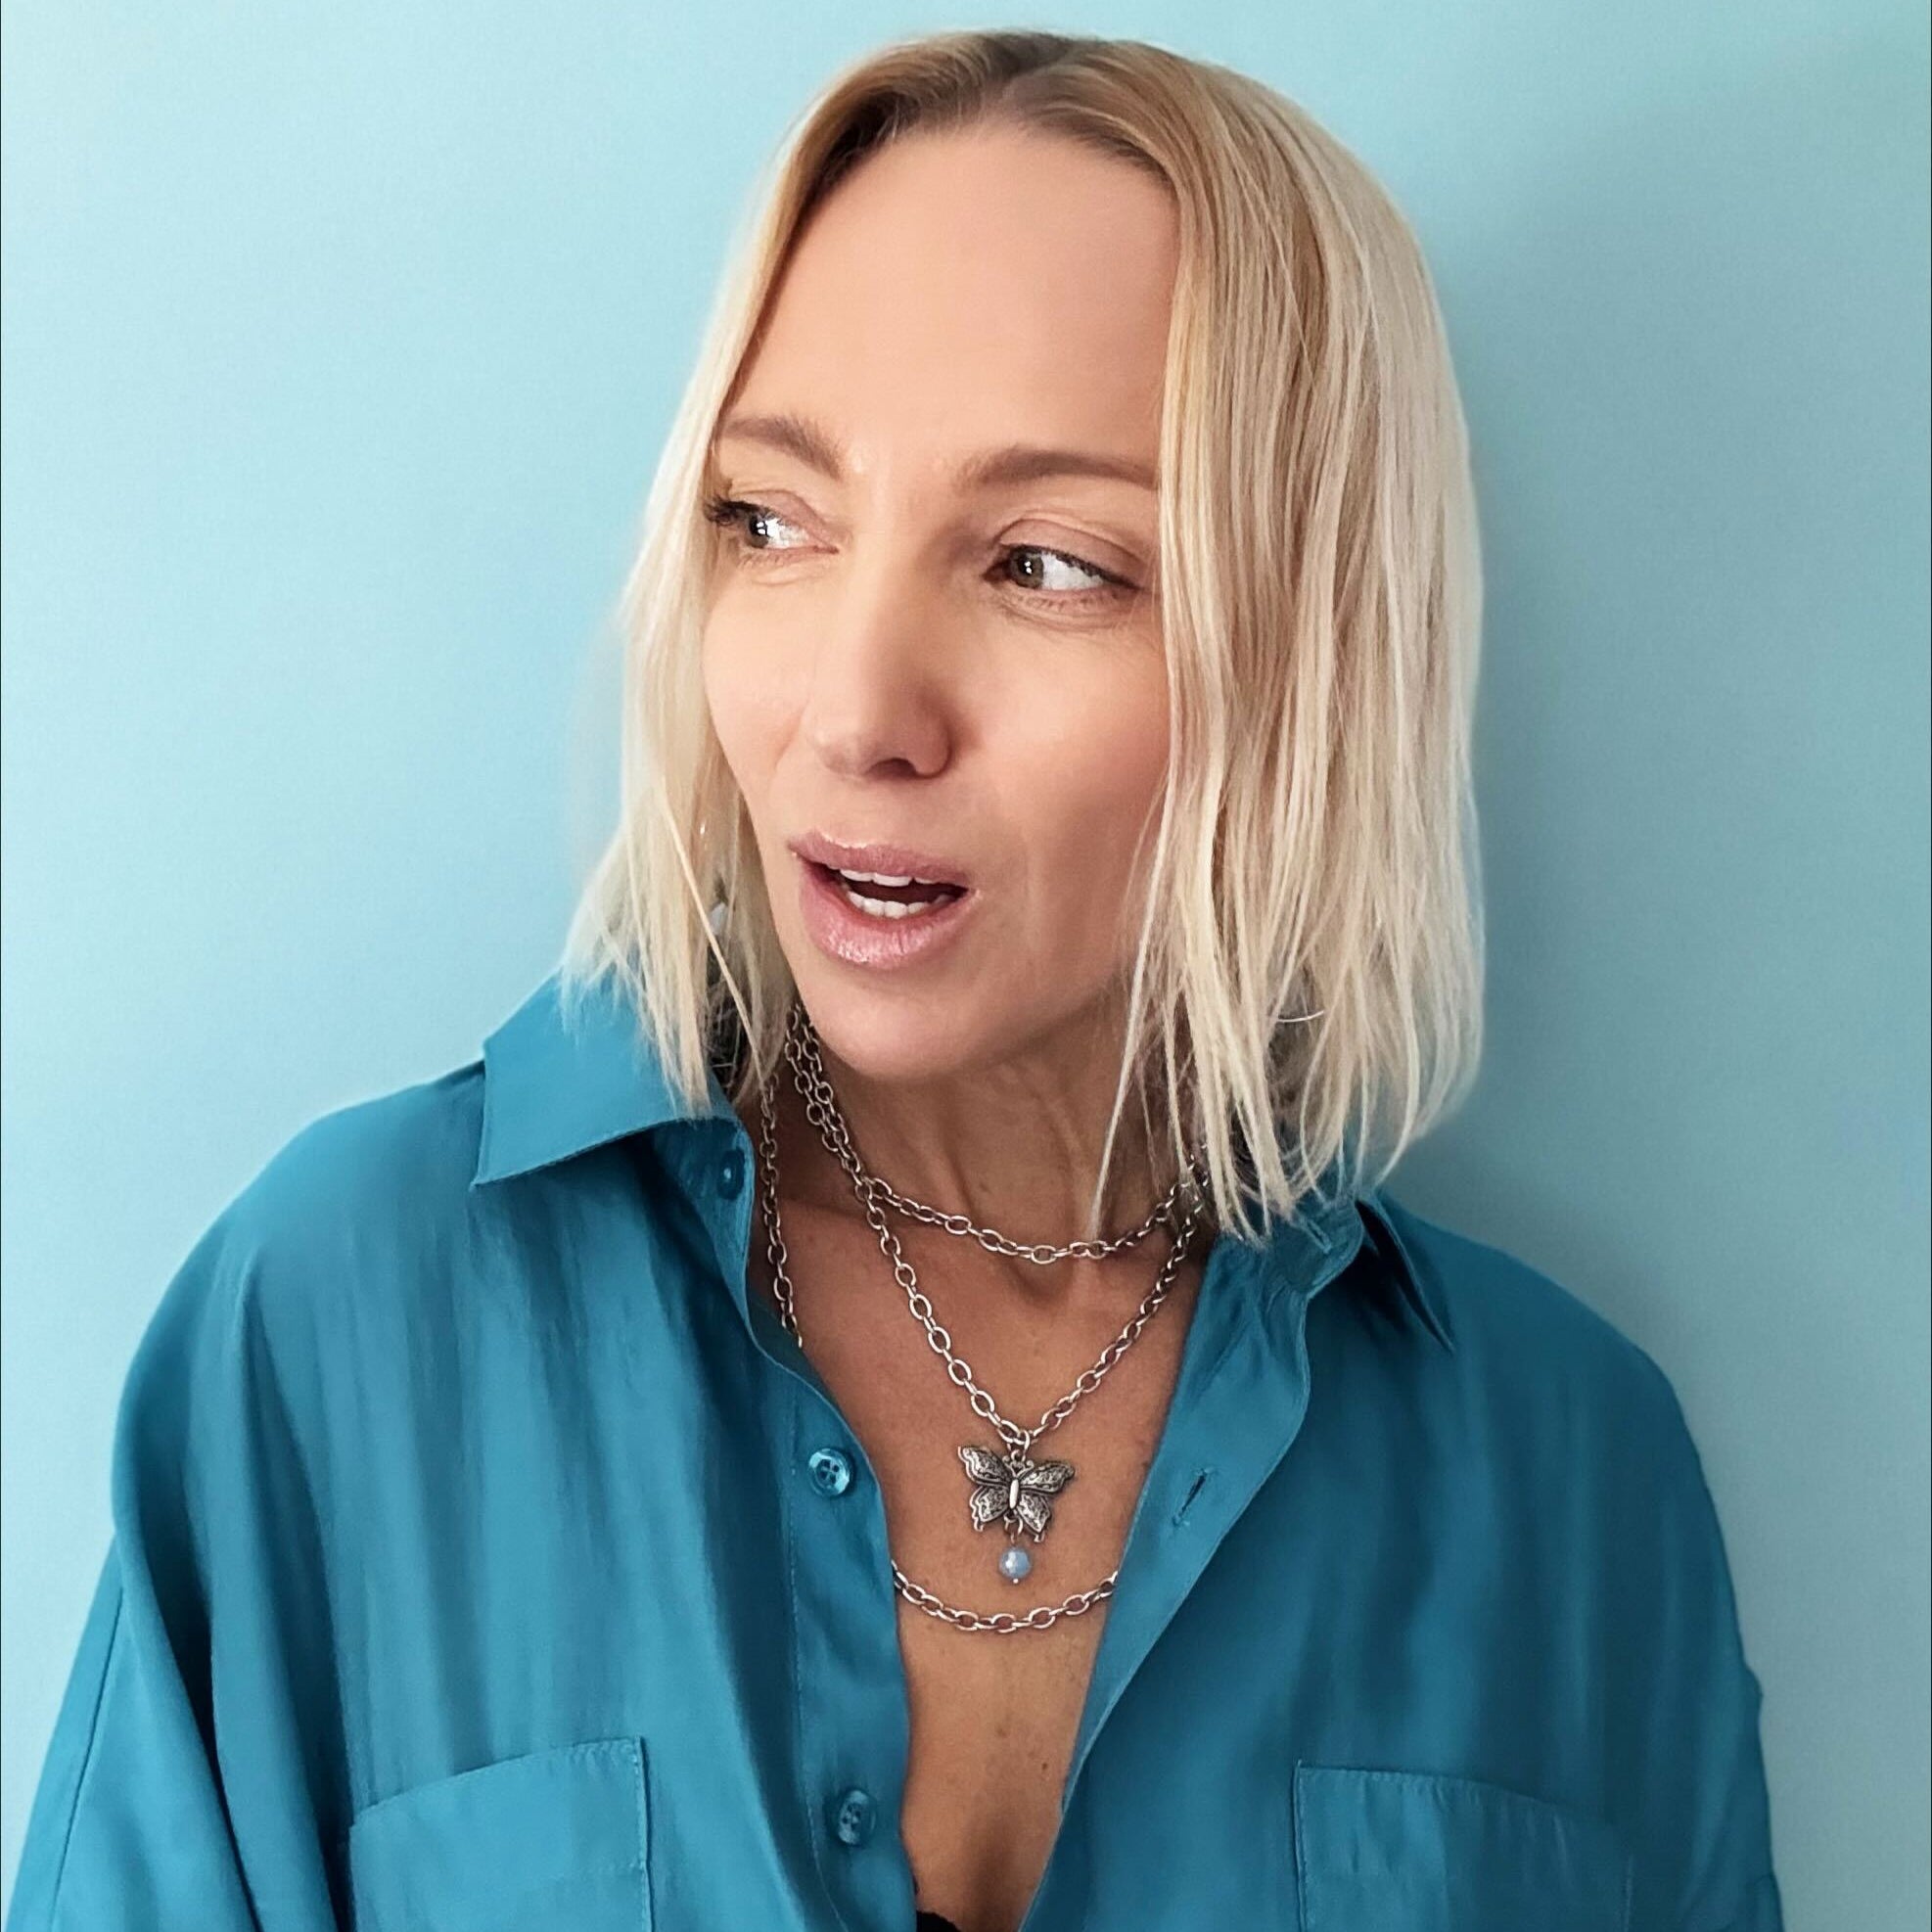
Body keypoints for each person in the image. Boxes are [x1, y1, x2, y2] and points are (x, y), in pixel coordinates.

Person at [6, 27, 1783, 1932]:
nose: (854, 715)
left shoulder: (1572, 1470)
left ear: (1315, 653)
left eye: (1042, 563)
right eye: (770, 521)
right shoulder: (349, 1322)